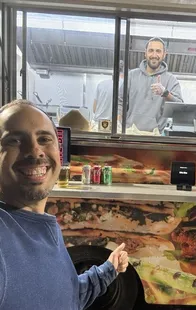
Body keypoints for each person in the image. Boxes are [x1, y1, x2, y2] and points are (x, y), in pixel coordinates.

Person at [0, 99, 129, 310]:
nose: (35, 151)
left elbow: (64, 295)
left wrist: (108, 270)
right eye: (14, 140)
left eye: (44, 139)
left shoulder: (42, 226)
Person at [119, 37, 183, 133]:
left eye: (158, 51)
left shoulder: (171, 80)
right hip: (130, 133)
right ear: (145, 53)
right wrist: (118, 123)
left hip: (154, 136)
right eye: (151, 51)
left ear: (164, 54)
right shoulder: (132, 75)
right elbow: (120, 101)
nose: (154, 55)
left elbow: (180, 108)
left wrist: (165, 93)